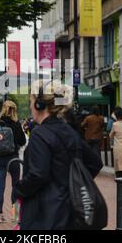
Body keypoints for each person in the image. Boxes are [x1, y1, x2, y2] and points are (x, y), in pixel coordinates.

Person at [13, 80, 103, 230]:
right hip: (70, 214)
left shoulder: (40, 134)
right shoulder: (69, 132)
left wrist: (18, 189)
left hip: (45, 216)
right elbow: (95, 163)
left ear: (39, 105)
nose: (30, 106)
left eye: (31, 101)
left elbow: (38, 174)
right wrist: (72, 185)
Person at [0, 100, 26, 223]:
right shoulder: (16, 124)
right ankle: (15, 216)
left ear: (3, 109)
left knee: (0, 187)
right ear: (14, 110)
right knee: (15, 187)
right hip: (13, 159)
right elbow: (22, 142)